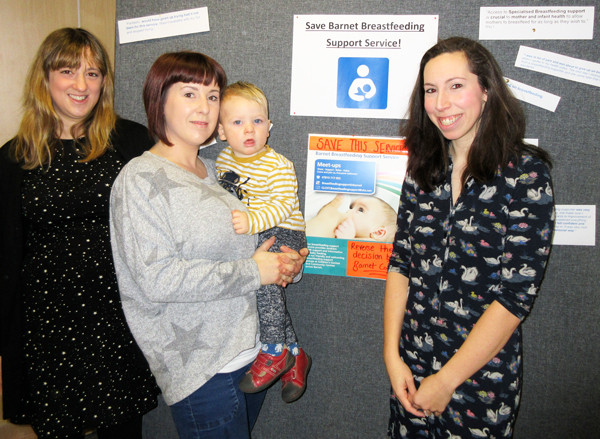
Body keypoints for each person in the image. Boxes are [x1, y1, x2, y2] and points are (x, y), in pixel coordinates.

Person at [109, 52, 307, 439]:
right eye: (189, 94)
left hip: (254, 355)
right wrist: (256, 270)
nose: (204, 108)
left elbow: (258, 244)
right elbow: (157, 280)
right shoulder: (139, 179)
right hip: (203, 370)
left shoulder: (221, 171)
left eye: (213, 96)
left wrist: (287, 265)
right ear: (158, 100)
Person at [383, 37, 555, 439]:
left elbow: (515, 297)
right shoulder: (423, 169)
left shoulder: (524, 175)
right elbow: (401, 263)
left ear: (487, 90)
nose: (441, 103)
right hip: (411, 367)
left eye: (456, 85)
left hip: (480, 379)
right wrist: (392, 356)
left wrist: (446, 381)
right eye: (430, 89)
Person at [0, 28, 159, 439]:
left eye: (93, 73)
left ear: (104, 81)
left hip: (117, 316)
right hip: (46, 324)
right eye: (68, 71)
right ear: (45, 78)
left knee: (122, 429)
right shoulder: (14, 157)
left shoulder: (132, 141)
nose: (81, 84)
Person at [215, 81, 311, 402]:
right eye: (237, 122)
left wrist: (251, 222)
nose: (249, 130)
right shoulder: (222, 163)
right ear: (221, 131)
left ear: (269, 127)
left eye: (257, 121)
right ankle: (295, 353)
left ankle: (273, 351)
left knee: (264, 285)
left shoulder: (278, 164)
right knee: (267, 298)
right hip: (254, 233)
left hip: (283, 231)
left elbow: (283, 204)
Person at [306, 194, 397, 242]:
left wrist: (346, 241)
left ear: (378, 232)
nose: (349, 211)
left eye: (361, 210)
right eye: (351, 207)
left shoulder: (370, 249)